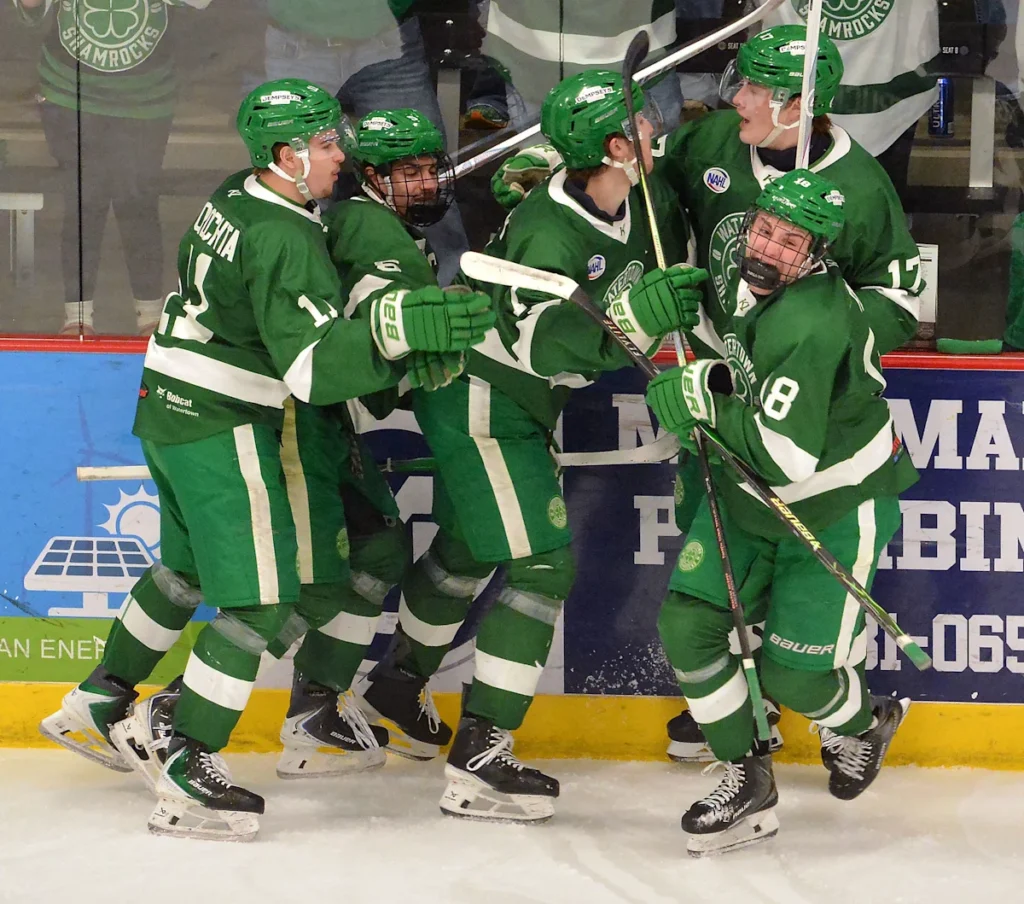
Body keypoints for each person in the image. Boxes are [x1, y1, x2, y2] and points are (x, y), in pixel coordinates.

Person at [38, 78, 494, 842]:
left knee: (184, 570)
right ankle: (183, 753)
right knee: (263, 601)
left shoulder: (235, 193)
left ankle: (98, 700)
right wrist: (397, 335)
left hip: (167, 405)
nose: (337, 156)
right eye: (323, 145)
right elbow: (313, 372)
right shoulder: (288, 235)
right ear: (285, 156)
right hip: (227, 421)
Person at [490, 25, 926, 761]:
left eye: (758, 89)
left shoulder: (858, 187)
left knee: (777, 566)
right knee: (717, 549)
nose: (738, 98)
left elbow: (900, 297)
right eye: (742, 82)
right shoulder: (718, 144)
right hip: (712, 379)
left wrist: (820, 350)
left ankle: (824, 707)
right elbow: (634, 161)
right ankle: (737, 702)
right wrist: (554, 164)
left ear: (802, 106)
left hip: (793, 393)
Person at [358, 70, 705, 823]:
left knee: (470, 544)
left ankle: (396, 682)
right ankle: (482, 757)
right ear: (614, 149)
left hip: (518, 403)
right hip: (482, 398)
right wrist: (639, 321)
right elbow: (546, 347)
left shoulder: (626, 197)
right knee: (543, 563)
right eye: (640, 126)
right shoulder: (550, 232)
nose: (655, 131)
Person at [645, 168, 916, 856]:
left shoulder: (815, 321)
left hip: (830, 506)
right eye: (763, 229)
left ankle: (863, 724)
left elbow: (786, 456)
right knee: (689, 625)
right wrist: (664, 315)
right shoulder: (752, 280)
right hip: (748, 501)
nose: (766, 249)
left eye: (790, 241)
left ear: (818, 254)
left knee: (794, 677)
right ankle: (746, 777)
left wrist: (703, 404)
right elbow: (730, 349)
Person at [13, 0, 213, 336]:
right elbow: (32, 13)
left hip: (146, 98)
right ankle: (77, 318)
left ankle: (150, 316)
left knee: (137, 202)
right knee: (83, 201)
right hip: (68, 92)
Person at [261, 0, 470, 286]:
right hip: (297, 44)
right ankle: (312, 306)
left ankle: (456, 302)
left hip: (388, 42)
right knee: (300, 186)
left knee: (423, 183)